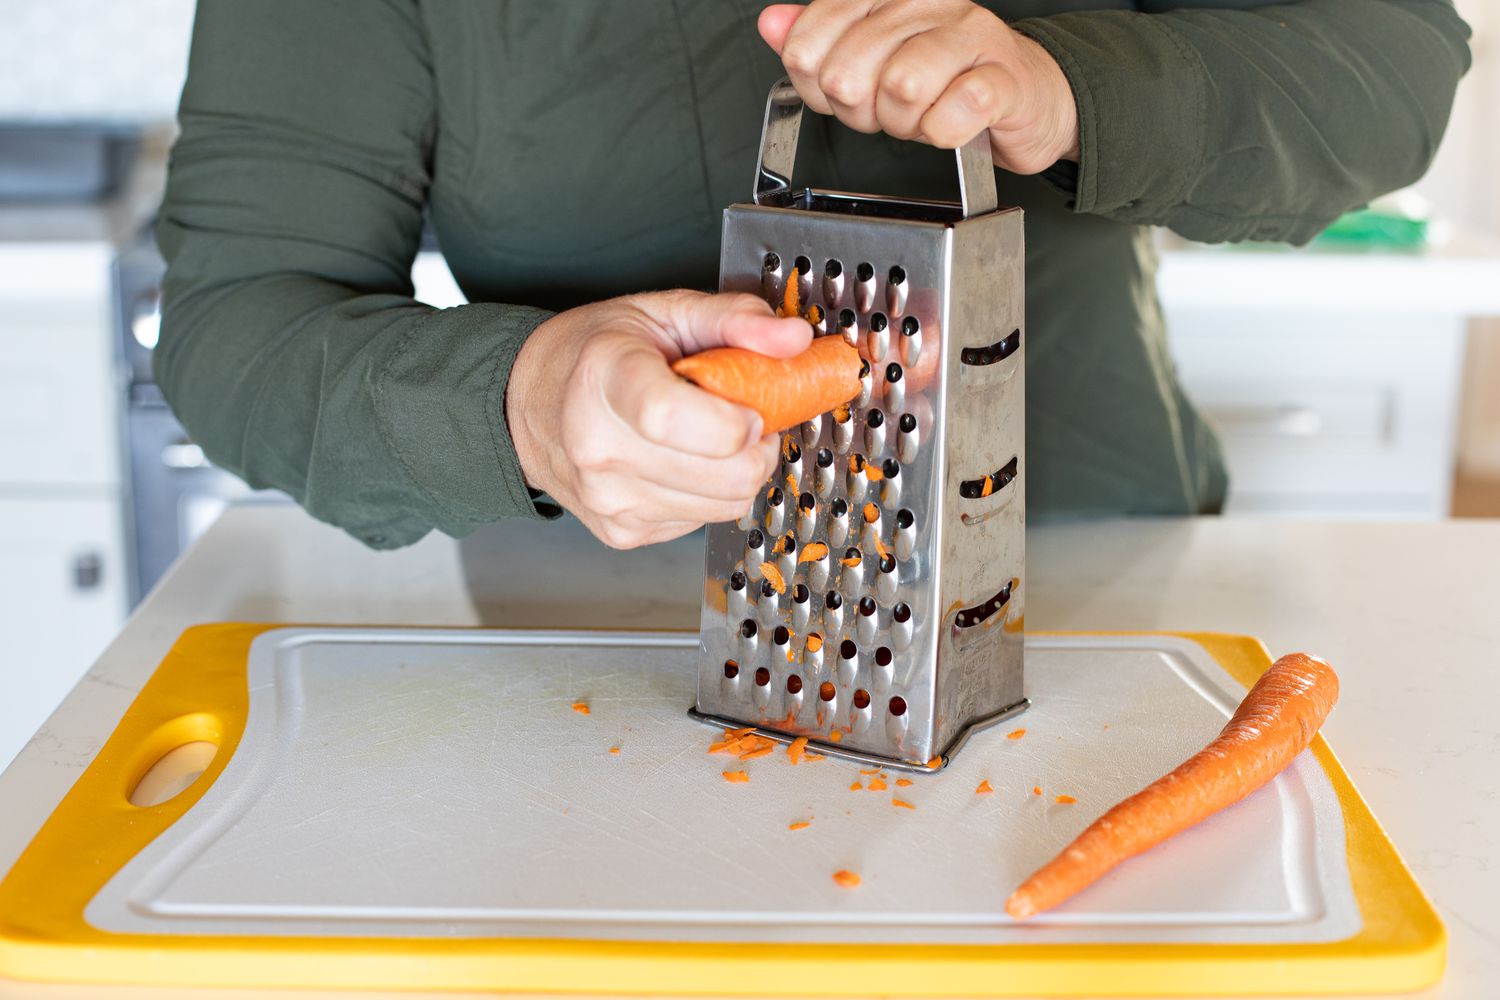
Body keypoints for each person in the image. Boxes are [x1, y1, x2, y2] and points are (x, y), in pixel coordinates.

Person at [157, 0, 1470, 551]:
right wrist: (521, 399)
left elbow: (1389, 66)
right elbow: (239, 324)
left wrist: (1064, 82)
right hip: (591, 653)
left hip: (1095, 573)